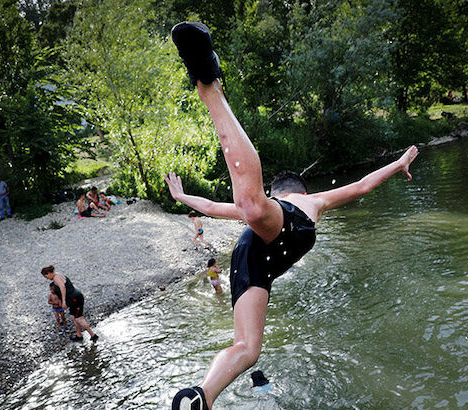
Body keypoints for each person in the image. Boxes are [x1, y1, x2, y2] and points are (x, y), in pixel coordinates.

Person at [167, 21, 419, 409]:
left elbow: (215, 208)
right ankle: (209, 84)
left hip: (250, 262)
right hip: (264, 238)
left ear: (278, 191)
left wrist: (184, 196)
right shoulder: (310, 201)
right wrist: (398, 163)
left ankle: (201, 395)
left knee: (248, 349)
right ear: (295, 191)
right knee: (251, 208)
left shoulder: (278, 204)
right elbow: (365, 184)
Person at [40, 265, 97, 342]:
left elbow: (62, 287)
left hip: (75, 299)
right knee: (73, 317)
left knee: (79, 318)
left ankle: (93, 335)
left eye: (46, 277)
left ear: (49, 273)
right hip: (72, 298)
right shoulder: (59, 274)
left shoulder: (56, 278)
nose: (47, 279)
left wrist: (63, 301)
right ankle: (79, 335)